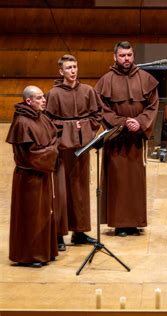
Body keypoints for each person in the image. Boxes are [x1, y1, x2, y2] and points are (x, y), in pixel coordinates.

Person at [95, 41, 159, 237]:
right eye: (122, 55)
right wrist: (123, 122)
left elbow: (153, 106)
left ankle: (135, 221)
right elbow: (101, 109)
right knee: (118, 181)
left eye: (129, 55)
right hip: (116, 139)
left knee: (135, 182)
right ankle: (119, 223)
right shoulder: (106, 81)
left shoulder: (146, 79)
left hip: (135, 140)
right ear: (115, 57)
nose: (126, 59)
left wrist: (139, 122)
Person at [46, 54, 102, 250]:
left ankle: (79, 232)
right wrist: (72, 127)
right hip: (62, 151)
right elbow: (48, 123)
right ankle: (59, 234)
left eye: (75, 67)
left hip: (81, 148)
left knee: (80, 191)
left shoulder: (88, 91)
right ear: (61, 71)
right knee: (61, 193)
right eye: (68, 67)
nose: (73, 71)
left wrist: (83, 127)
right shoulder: (54, 94)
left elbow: (97, 116)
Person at [6, 86, 59, 268]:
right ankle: (29, 255)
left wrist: (50, 150)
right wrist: (51, 152)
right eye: (39, 98)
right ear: (29, 101)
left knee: (43, 214)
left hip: (41, 173)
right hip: (29, 177)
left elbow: (53, 138)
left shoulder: (41, 117)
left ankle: (44, 251)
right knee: (30, 216)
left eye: (43, 97)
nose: (43, 100)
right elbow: (30, 155)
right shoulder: (22, 122)